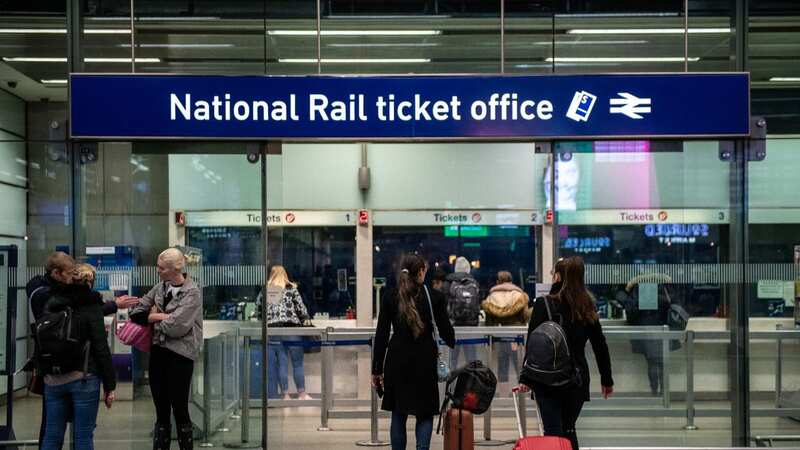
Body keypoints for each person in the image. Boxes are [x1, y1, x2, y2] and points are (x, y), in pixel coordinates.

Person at [519, 256, 614, 450]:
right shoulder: (586, 306)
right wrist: (607, 379)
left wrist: (525, 378)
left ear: (559, 277)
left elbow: (533, 344)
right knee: (569, 429)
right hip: (576, 379)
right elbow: (600, 345)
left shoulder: (544, 304)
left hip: (546, 380)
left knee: (553, 431)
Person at [372, 254, 455, 450]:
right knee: (424, 413)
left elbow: (382, 335)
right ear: (421, 272)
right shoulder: (435, 297)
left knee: (398, 413)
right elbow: (448, 335)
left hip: (396, 361)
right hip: (424, 361)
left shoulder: (390, 296)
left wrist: (376, 369)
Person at [130, 248, 203, 450]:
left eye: (161, 268)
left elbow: (178, 327)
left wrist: (153, 318)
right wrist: (157, 317)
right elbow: (135, 313)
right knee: (161, 410)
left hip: (180, 357)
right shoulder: (159, 288)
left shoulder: (192, 292)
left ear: (174, 269)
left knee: (180, 409)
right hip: (158, 355)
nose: (157, 270)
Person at [40, 263, 116, 450]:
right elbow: (100, 348)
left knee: (52, 434)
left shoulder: (53, 301)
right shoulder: (91, 305)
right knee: (83, 436)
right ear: (91, 282)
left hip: (53, 378)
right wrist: (110, 386)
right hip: (83, 378)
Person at [617, 273, 674, 396]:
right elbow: (670, 304)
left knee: (652, 362)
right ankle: (664, 392)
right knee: (663, 363)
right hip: (662, 328)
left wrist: (626, 291)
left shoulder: (637, 290)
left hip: (646, 329)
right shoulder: (663, 290)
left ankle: (655, 391)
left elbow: (630, 310)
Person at [262, 265, 312, 400]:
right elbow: (301, 309)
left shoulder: (267, 290)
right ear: (285, 275)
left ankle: (285, 395)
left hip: (274, 329)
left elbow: (259, 308)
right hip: (292, 329)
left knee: (282, 363)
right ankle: (302, 394)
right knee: (297, 363)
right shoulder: (291, 289)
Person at [481, 271, 530, 395]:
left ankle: (503, 395)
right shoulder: (519, 295)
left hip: (499, 337)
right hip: (516, 337)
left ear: (498, 282)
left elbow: (489, 322)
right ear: (511, 281)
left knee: (502, 366)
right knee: (519, 365)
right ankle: (520, 395)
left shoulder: (491, 297)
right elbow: (524, 317)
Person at [444, 256, 480, 369]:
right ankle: (473, 381)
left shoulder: (449, 283)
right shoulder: (474, 283)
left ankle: (452, 381)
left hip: (454, 326)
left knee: (453, 357)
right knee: (471, 358)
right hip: (471, 325)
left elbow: (445, 304)